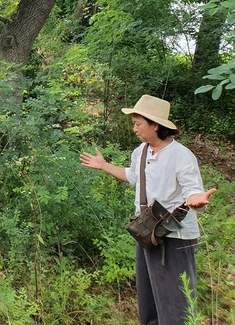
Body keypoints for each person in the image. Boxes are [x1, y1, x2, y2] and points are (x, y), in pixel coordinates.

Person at [80, 95, 217, 325]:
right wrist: (103, 166)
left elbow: (192, 189)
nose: (134, 128)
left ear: (156, 125)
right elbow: (133, 176)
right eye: (133, 123)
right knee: (149, 292)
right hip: (147, 231)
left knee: (176, 296)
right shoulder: (140, 152)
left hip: (175, 236)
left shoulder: (181, 155)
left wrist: (197, 198)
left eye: (138, 123)